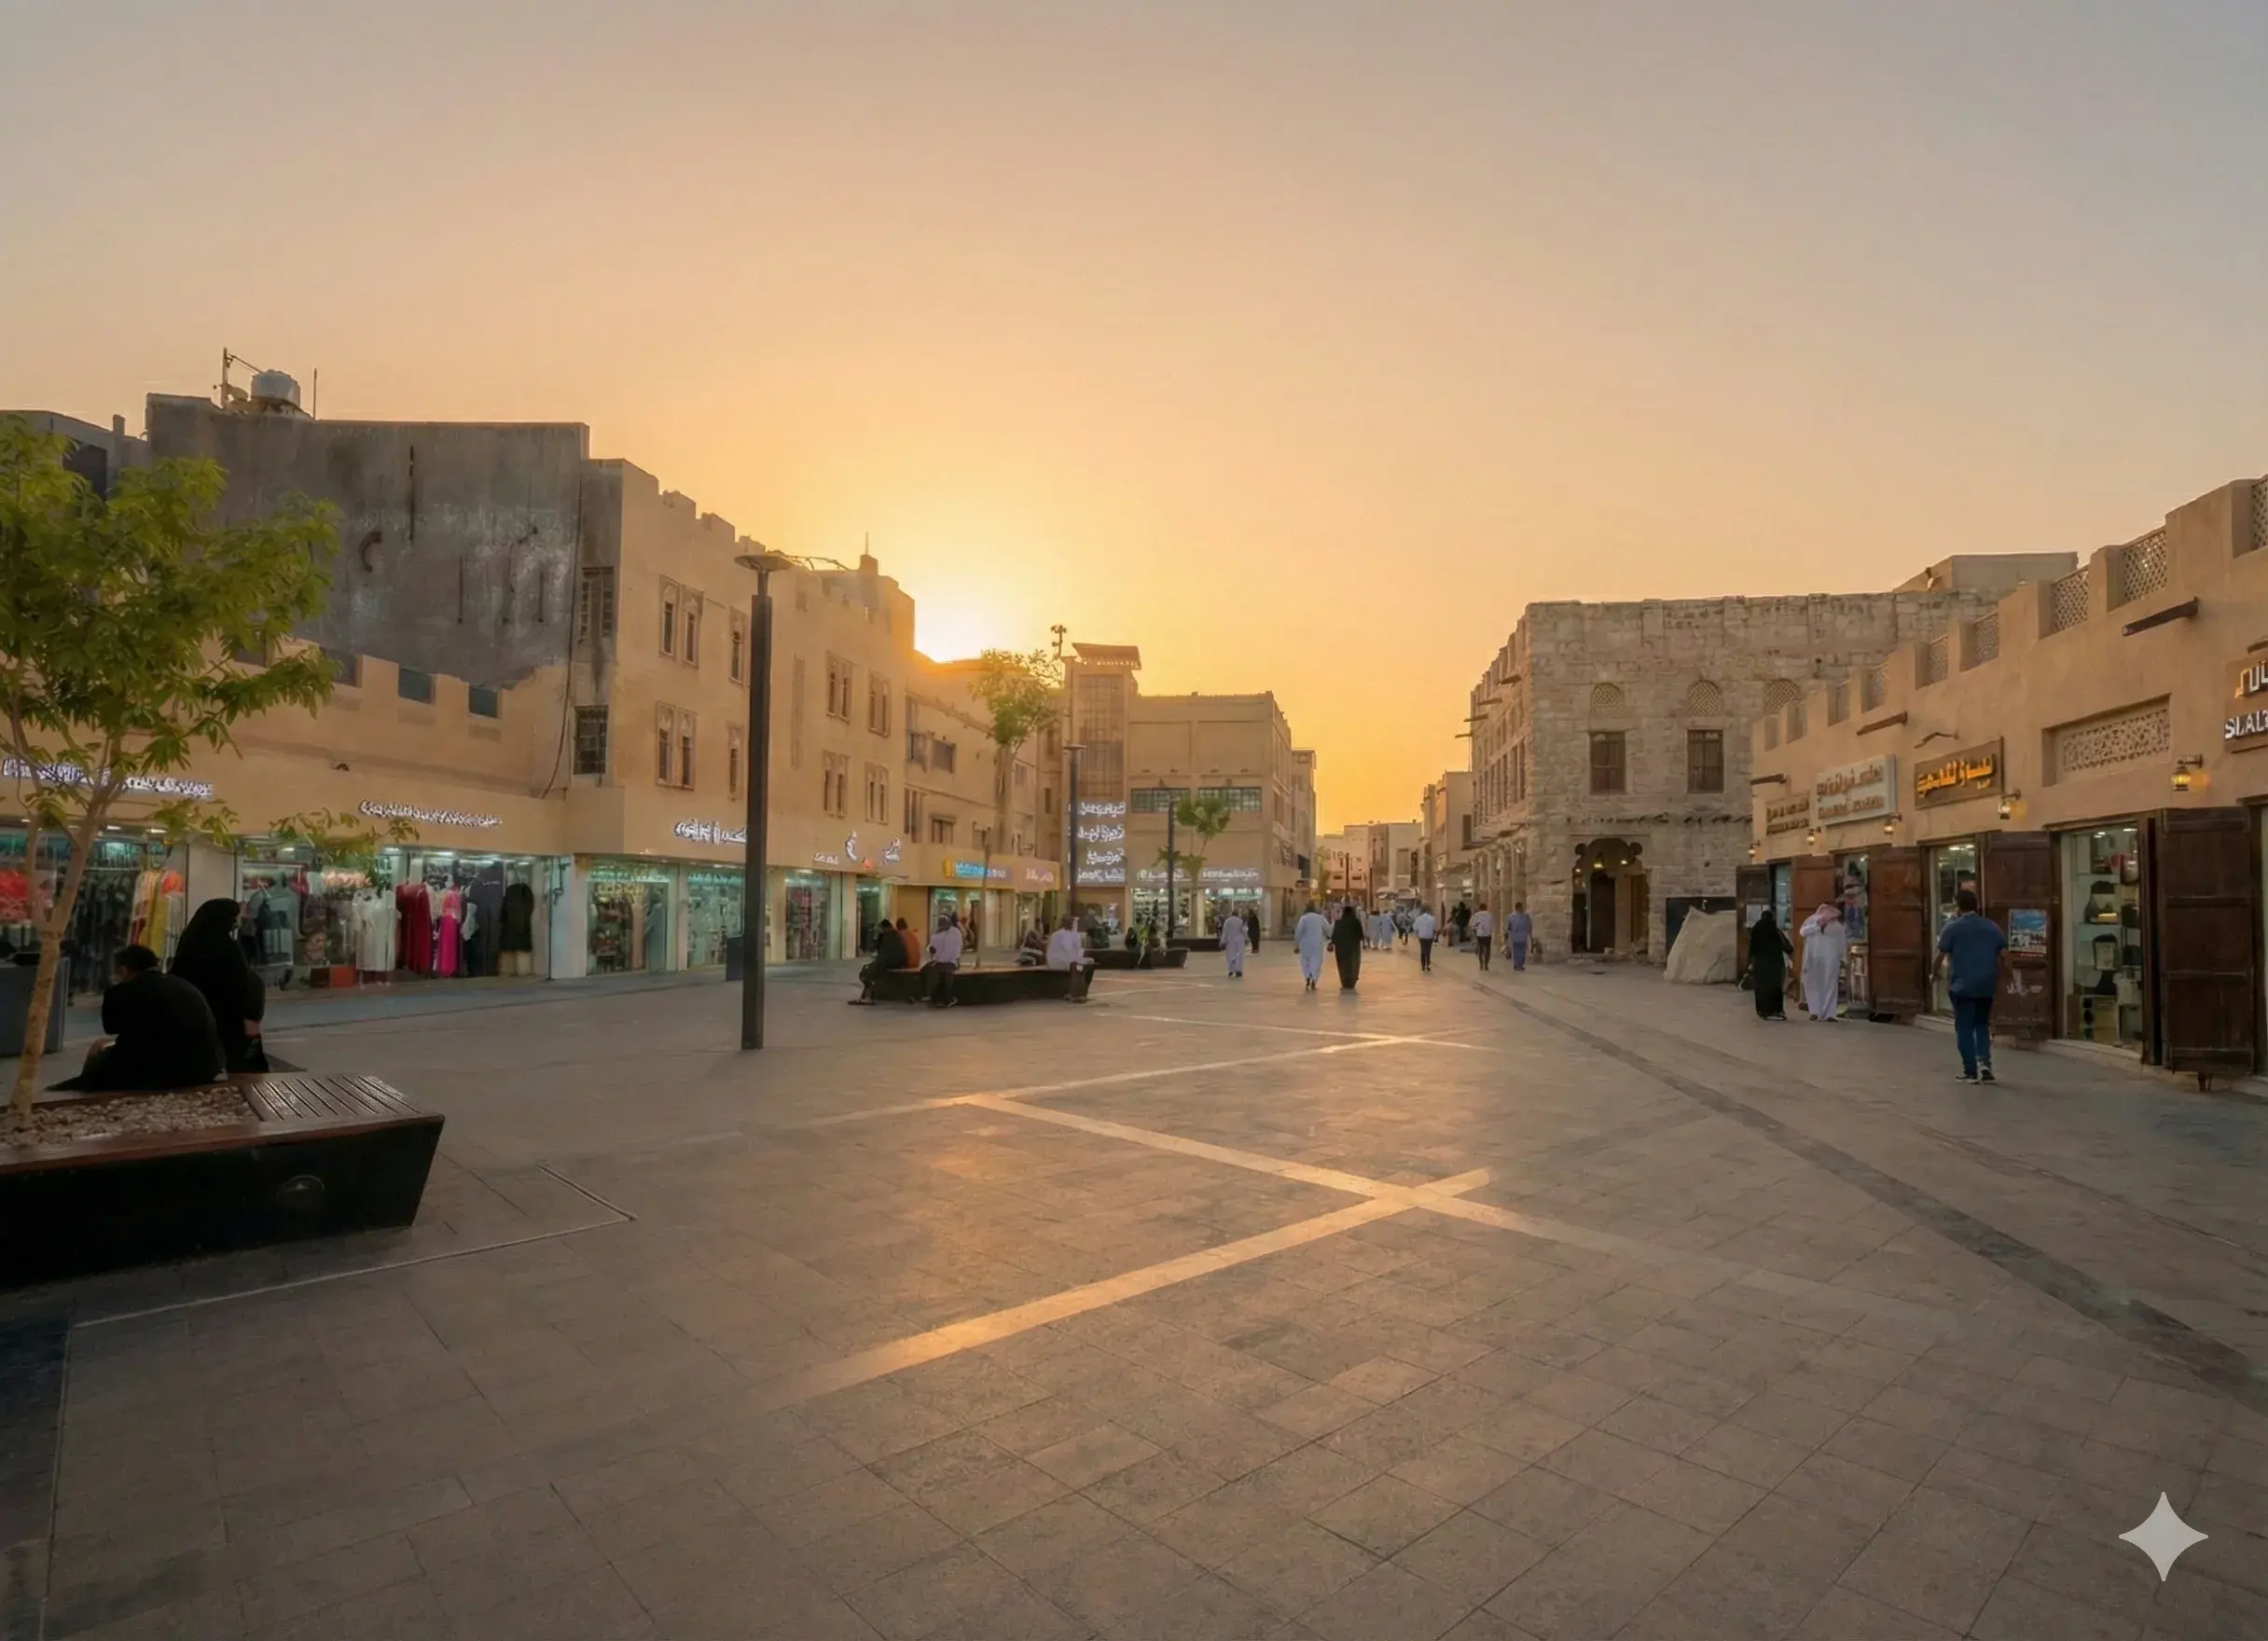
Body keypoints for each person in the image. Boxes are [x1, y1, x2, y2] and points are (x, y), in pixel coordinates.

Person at [57, 945, 225, 1092]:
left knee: (97, 1052)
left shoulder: (127, 989)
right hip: (204, 1068)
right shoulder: (182, 985)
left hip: (159, 1071)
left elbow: (111, 1027)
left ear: (123, 970)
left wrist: (114, 990)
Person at [168, 897, 268, 1073]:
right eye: (235, 917)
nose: (237, 922)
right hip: (227, 1019)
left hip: (193, 1018)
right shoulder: (227, 948)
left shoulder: (190, 943)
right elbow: (243, 983)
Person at [1935, 889, 2007, 1083]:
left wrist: (1934, 973)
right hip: (1986, 985)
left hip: (1962, 986)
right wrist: (2004, 977)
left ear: (1958, 907)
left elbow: (1940, 955)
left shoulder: (1952, 928)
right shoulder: (1992, 927)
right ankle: (1984, 1062)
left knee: (1964, 1027)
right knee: (1982, 1024)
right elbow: (2005, 955)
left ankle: (1970, 1070)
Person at [1798, 903, 1848, 1022]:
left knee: (1830, 985)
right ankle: (1815, 1012)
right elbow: (1803, 932)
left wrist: (1842, 958)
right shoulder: (1812, 920)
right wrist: (1817, 925)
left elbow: (1842, 943)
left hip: (1831, 959)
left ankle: (1829, 1014)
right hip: (1813, 958)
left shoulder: (1837, 926)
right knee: (1812, 985)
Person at [1747, 911, 1792, 1020]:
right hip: (1775, 964)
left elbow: (1752, 949)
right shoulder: (1775, 931)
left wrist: (1750, 963)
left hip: (1760, 965)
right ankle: (1776, 1010)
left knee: (1761, 988)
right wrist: (1790, 953)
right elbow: (1787, 946)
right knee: (1775, 987)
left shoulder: (1756, 930)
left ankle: (1762, 1011)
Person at [857, 916, 911, 1001]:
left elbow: (885, 955)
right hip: (899, 961)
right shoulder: (895, 935)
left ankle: (869, 993)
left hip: (893, 961)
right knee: (870, 968)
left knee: (868, 970)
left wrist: (875, 964)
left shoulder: (888, 936)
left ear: (884, 928)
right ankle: (869, 991)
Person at [1044, 915, 1094, 1001]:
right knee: (1075, 965)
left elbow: (1078, 950)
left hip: (1068, 958)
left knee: (1090, 963)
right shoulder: (1059, 934)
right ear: (1064, 923)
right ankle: (1073, 994)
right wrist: (1078, 960)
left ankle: (1083, 994)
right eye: (1069, 921)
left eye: (1072, 921)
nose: (1072, 923)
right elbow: (1068, 950)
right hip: (1056, 959)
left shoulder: (1075, 935)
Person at [923, 916, 963, 1007]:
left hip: (950, 962)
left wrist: (938, 960)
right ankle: (931, 996)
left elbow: (950, 952)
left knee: (938, 972)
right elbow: (931, 946)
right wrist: (930, 949)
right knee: (926, 970)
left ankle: (944, 999)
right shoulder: (938, 933)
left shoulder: (954, 933)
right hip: (939, 961)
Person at [1293, 902, 1329, 991]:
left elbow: (1299, 931)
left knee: (1305, 961)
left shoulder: (1304, 918)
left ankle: (1307, 976)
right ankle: (1314, 977)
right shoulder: (1321, 918)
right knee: (1316, 961)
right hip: (1317, 944)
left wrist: (1296, 944)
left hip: (1305, 944)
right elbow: (1328, 929)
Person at [1329, 903, 1364, 990]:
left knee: (1342, 964)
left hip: (1341, 947)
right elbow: (1360, 934)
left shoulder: (1338, 923)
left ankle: (1344, 980)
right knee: (1354, 963)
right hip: (1354, 947)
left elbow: (1335, 934)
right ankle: (1352, 979)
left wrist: (1332, 943)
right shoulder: (1356, 922)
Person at [1505, 902, 1533, 972]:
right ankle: (1519, 965)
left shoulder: (1511, 916)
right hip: (1522, 937)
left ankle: (1517, 965)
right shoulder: (1526, 916)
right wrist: (1529, 933)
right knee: (1521, 952)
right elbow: (1529, 926)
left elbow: (1508, 927)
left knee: (1518, 952)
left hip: (1516, 936)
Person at [1220, 909, 1248, 978]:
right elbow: (1243, 930)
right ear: (1237, 914)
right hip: (1239, 940)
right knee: (1238, 955)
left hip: (1230, 940)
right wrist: (1246, 938)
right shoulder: (1240, 921)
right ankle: (1238, 970)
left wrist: (1222, 941)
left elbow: (1224, 932)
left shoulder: (1227, 921)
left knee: (1230, 956)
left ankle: (1231, 970)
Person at [1470, 902, 1494, 971]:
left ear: (1480, 908)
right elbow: (1491, 924)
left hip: (1479, 934)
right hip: (1487, 934)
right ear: (1486, 908)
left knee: (1480, 949)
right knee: (1487, 950)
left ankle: (1481, 964)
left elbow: (1472, 924)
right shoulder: (1489, 914)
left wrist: (1475, 929)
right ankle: (1486, 965)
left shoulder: (1476, 915)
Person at [1413, 907, 1438, 972]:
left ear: (1421, 912)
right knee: (1428, 950)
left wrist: (1417, 934)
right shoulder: (1432, 918)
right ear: (1428, 912)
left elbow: (1415, 927)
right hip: (1429, 937)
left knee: (1423, 950)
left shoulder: (1419, 918)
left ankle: (1423, 965)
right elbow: (1434, 928)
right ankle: (1428, 964)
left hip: (1422, 937)